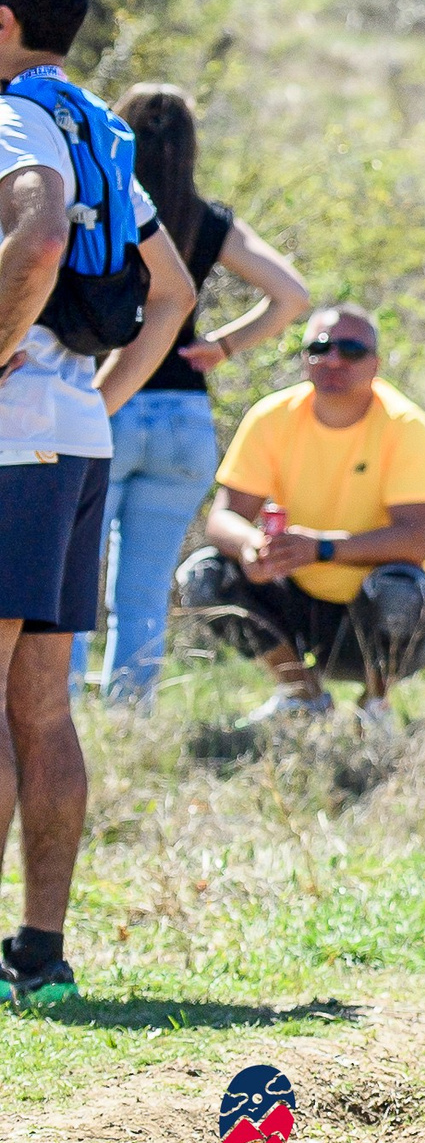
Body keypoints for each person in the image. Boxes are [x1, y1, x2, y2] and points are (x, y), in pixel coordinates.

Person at [0, 0, 193, 1005]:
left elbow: (32, 244)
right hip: (74, 435)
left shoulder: (12, 118)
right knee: (43, 708)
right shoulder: (98, 124)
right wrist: (97, 401)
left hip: (12, 436)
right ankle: (40, 954)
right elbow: (170, 291)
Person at [74, 85, 308, 702]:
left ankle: (57, 711)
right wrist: (224, 345)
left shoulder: (101, 204)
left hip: (105, 397)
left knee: (72, 578)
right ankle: (132, 711)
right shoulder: (206, 220)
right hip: (183, 417)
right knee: (145, 588)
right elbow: (292, 296)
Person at [178, 305, 425, 728]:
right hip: (297, 603)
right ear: (303, 358)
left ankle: (374, 707)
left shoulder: (403, 424)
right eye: (319, 347)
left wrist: (319, 547)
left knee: (402, 591)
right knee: (204, 575)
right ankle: (303, 696)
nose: (333, 359)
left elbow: (415, 540)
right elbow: (223, 518)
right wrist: (253, 548)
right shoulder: (272, 416)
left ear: (375, 363)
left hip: (371, 611)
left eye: (352, 349)